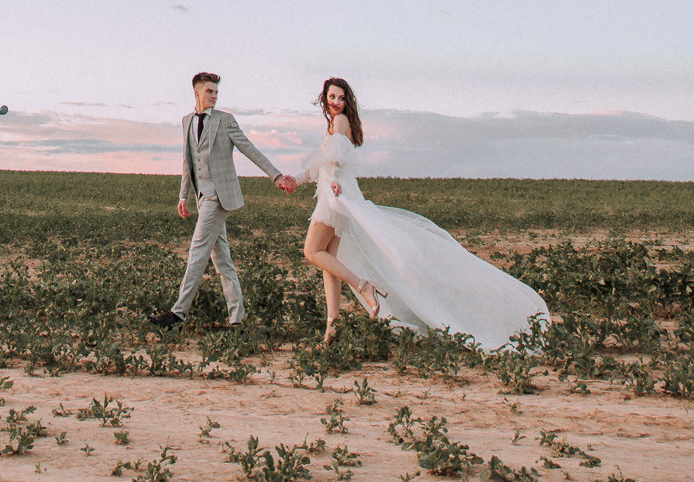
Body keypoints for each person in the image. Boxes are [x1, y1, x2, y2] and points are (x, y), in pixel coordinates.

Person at [297, 76, 550, 351]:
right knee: (329, 263)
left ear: (347, 102)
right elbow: (319, 166)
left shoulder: (339, 122)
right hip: (338, 197)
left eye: (341, 98)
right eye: (332, 97)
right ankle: (331, 326)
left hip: (333, 198)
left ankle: (364, 286)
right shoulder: (336, 124)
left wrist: (334, 178)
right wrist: (293, 180)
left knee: (312, 252)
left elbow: (335, 160)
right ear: (325, 98)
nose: (336, 103)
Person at [150, 72, 297, 331]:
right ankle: (237, 320)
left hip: (219, 197)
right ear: (197, 92)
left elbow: (249, 148)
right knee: (222, 260)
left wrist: (275, 176)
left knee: (197, 251)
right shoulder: (186, 121)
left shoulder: (225, 121)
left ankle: (178, 314)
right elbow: (188, 161)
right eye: (209, 91)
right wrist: (183, 196)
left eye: (216, 92)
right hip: (201, 196)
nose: (215, 96)